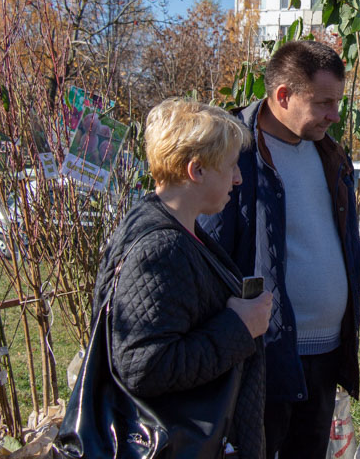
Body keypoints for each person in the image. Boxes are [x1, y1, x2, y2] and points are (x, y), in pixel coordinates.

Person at [200, 40, 360, 459]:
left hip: (326, 355)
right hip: (260, 360)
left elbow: (340, 252)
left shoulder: (329, 154)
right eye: (324, 103)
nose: (334, 115)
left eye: (337, 102)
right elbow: (207, 259)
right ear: (282, 96)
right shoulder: (232, 152)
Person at [92, 98, 272, 458]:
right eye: (231, 166)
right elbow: (145, 366)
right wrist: (240, 326)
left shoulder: (176, 230)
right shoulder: (161, 247)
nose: (238, 178)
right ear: (197, 170)